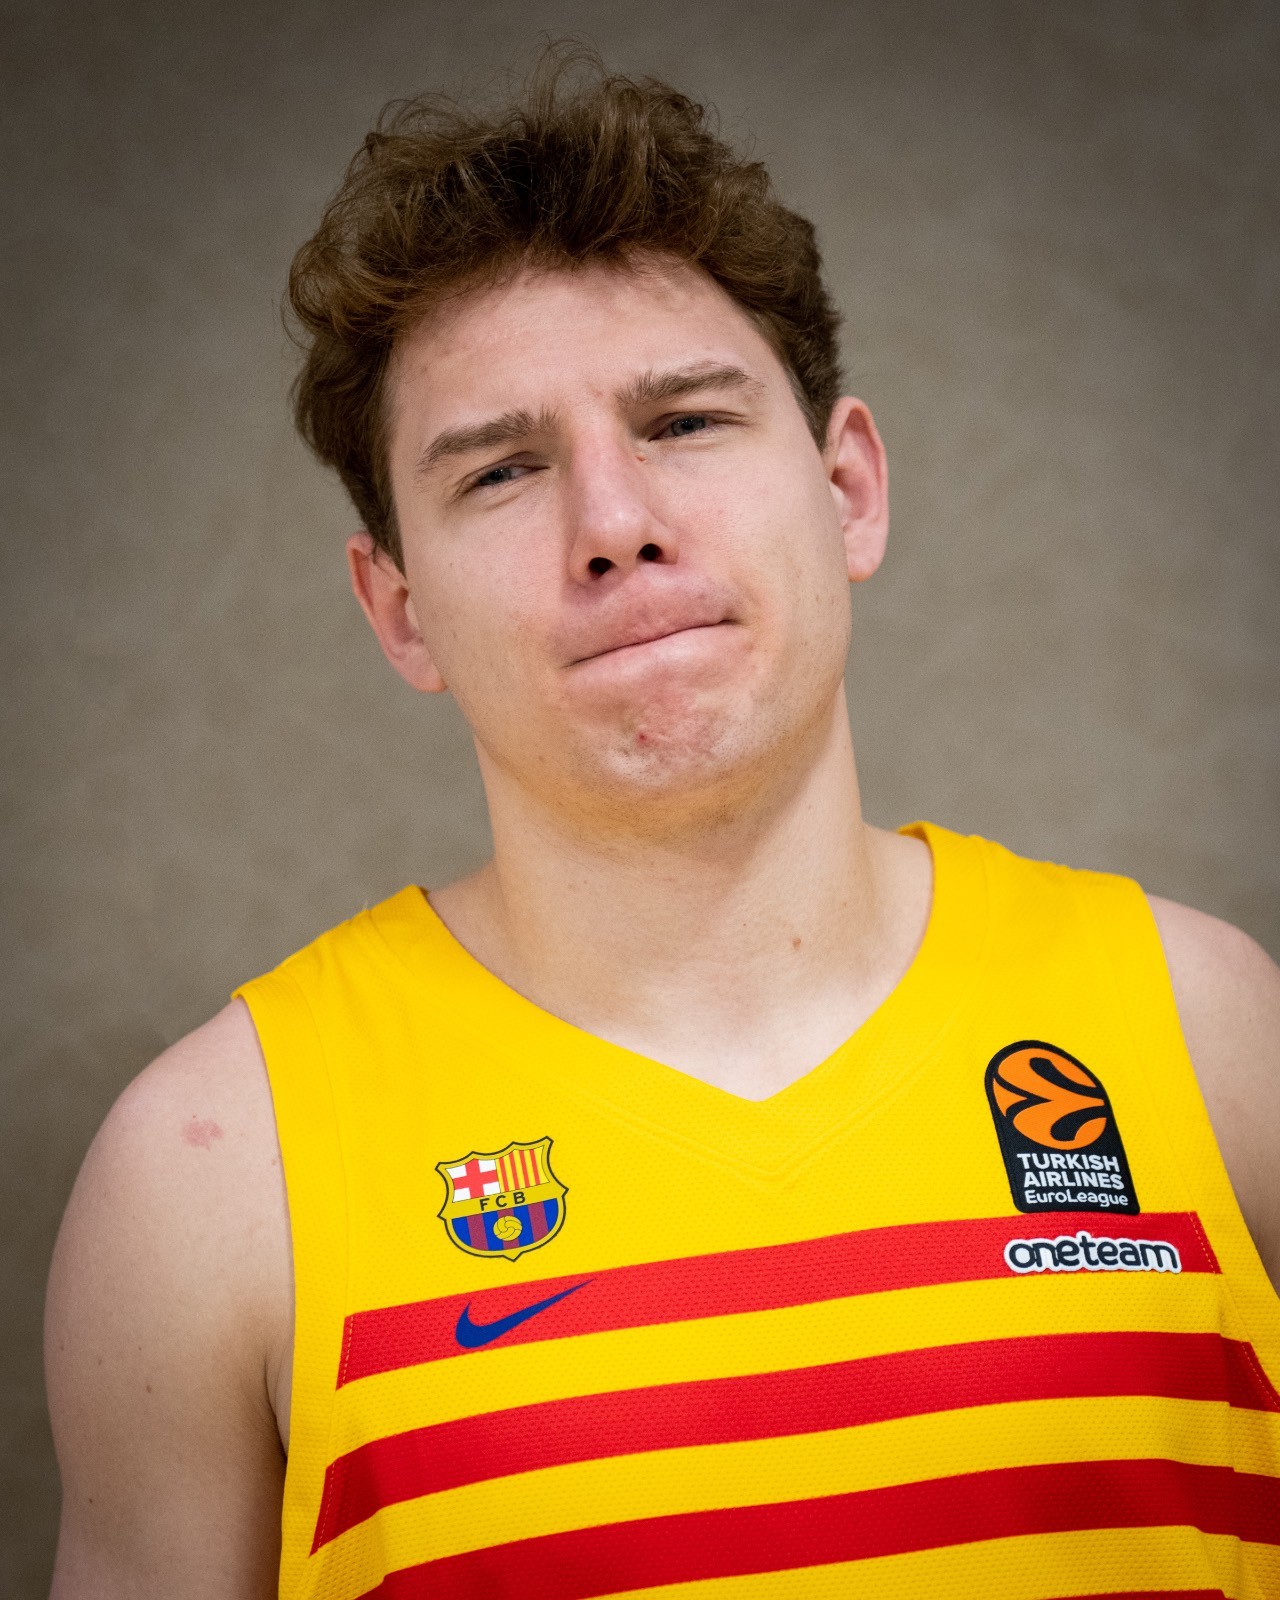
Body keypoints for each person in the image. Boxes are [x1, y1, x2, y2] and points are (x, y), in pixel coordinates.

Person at [44, 51, 1280, 1600]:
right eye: (504, 469)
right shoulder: (211, 1180)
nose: (616, 525)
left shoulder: (1211, 1032)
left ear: (848, 489)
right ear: (400, 608)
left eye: (685, 422)